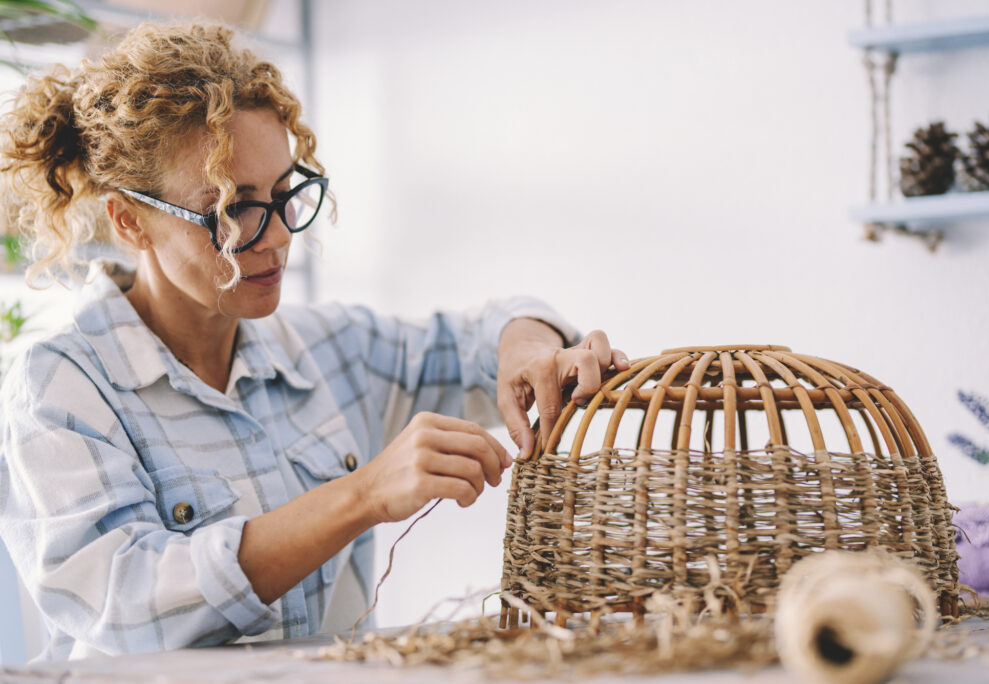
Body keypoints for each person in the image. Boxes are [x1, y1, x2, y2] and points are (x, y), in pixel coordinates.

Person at [0, 22, 628, 660]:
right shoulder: (59, 389)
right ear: (130, 221)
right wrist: (360, 496)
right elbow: (126, 604)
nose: (276, 236)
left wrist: (526, 347)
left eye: (282, 194)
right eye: (231, 208)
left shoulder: (326, 348)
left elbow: (486, 331)